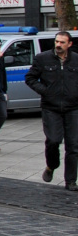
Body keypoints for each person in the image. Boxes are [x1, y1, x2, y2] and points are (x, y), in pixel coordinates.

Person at [25, 30, 78, 190]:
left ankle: (70, 181)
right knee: (54, 140)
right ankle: (51, 165)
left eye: (62, 42)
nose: (58, 45)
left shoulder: (76, 59)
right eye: (56, 42)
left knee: (74, 146)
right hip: (51, 107)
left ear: (69, 44)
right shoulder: (43, 58)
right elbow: (30, 78)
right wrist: (45, 91)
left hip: (73, 107)